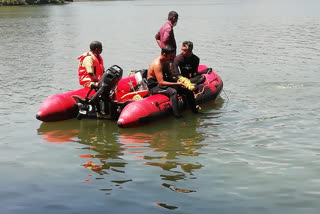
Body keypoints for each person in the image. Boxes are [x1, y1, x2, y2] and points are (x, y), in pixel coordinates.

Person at [147, 45, 198, 118]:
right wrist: (177, 84)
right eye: (171, 56)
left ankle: (195, 110)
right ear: (164, 54)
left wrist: (180, 81)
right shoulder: (157, 64)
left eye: (173, 56)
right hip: (155, 86)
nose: (172, 58)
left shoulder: (166, 61)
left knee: (186, 89)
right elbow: (161, 82)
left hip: (163, 82)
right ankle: (177, 116)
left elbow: (169, 75)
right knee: (173, 91)